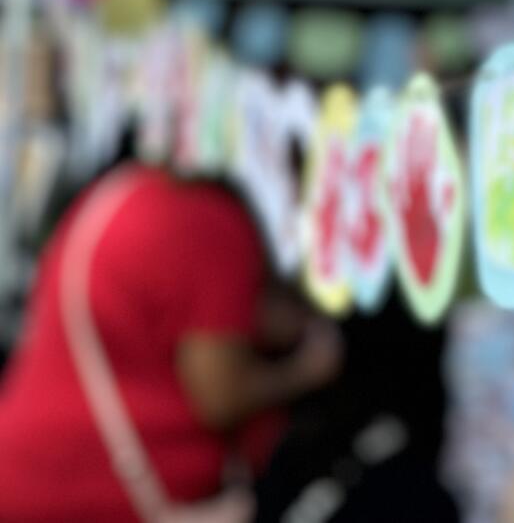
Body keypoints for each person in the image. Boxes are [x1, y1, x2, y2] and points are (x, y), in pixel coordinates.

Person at [0, 162, 342, 521]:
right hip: (87, 491)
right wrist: (307, 369)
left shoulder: (124, 193)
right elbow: (219, 395)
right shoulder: (214, 226)